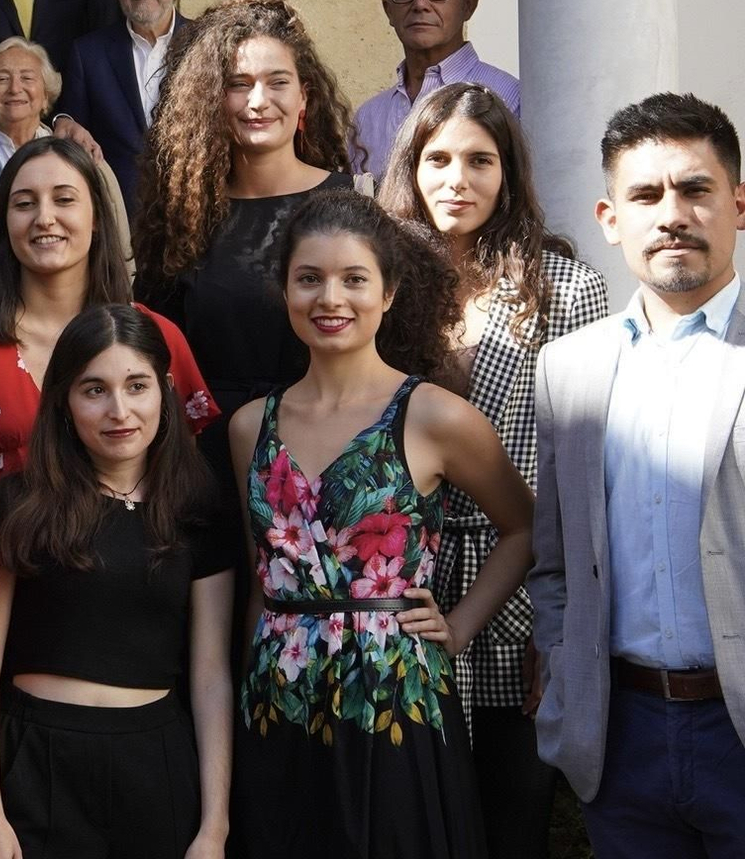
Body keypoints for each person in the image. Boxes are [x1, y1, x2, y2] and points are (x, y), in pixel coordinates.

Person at [228, 189, 533, 857]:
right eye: (309, 278)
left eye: (353, 278)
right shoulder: (251, 425)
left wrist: (460, 624)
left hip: (396, 700)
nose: (329, 297)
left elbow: (525, 528)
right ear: (284, 290)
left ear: (388, 291)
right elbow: (263, 576)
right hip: (277, 701)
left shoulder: (434, 415)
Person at [377, 81, 608, 858]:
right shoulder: (377, 289)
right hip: (403, 595)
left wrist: (564, 622)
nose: (457, 179)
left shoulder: (567, 288)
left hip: (521, 600)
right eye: (437, 159)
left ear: (508, 174)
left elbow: (582, 474)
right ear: (409, 169)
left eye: (481, 160)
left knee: (511, 825)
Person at [531, 93, 745, 858]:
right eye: (646, 194)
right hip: (621, 739)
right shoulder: (569, 368)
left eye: (695, 189)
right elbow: (553, 561)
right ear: (609, 216)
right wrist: (565, 680)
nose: (672, 214)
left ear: (738, 204)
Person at [0, 304, 237, 859]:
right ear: (65, 402)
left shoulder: (196, 507)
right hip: (34, 758)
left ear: (163, 391)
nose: (120, 410)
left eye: (136, 386)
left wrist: (215, 827)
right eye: (94, 389)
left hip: (154, 761)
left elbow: (211, 673)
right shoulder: (22, 504)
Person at [134, 0, 357, 491]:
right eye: (239, 85)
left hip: (325, 450)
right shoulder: (182, 213)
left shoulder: (354, 203)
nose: (258, 101)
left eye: (278, 82)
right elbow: (152, 346)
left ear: (305, 97)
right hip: (203, 456)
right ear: (213, 98)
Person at [0, 135, 214, 493]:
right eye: (24, 204)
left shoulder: (156, 336)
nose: (44, 218)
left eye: (64, 199)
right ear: (5, 221)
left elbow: (181, 479)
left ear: (97, 216)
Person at [0, 37, 130, 257]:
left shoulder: (80, 154)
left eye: (27, 77)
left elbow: (115, 244)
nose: (15, 88)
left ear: (46, 97)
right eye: (2, 79)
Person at [355, 0, 521, 179]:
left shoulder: (509, 99)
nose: (420, 4)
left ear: (469, 5)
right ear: (388, 10)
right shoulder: (368, 118)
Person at [59, 0, 190, 209]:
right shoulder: (88, 53)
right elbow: (70, 123)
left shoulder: (207, 42)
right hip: (119, 219)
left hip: (196, 217)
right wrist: (62, 120)